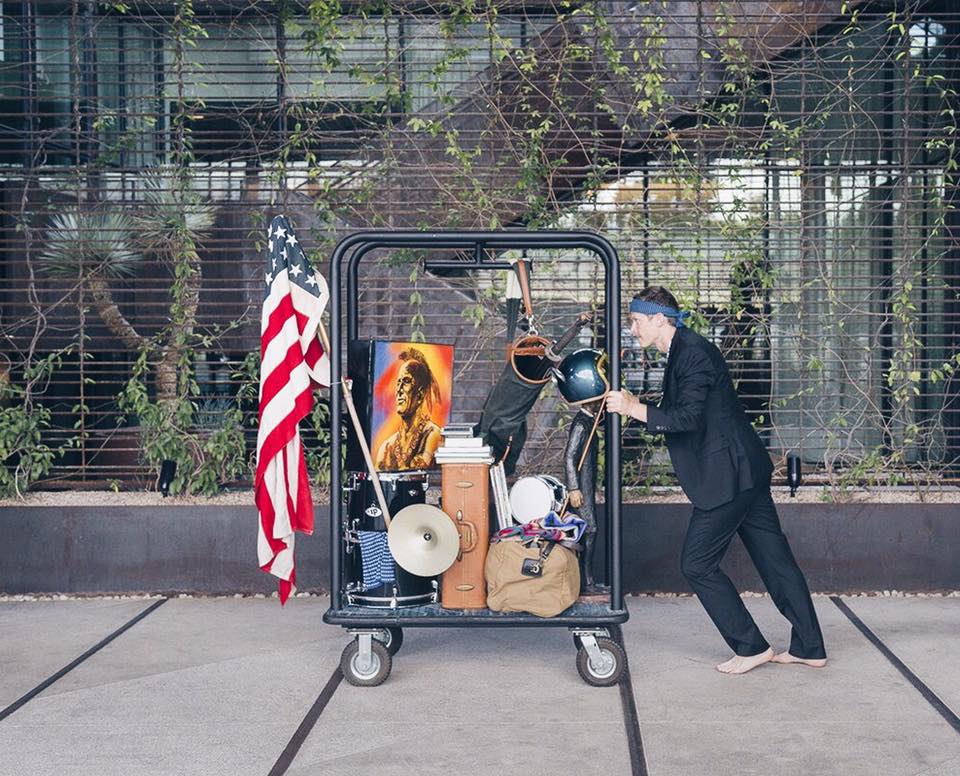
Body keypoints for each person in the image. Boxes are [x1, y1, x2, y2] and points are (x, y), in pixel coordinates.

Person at [606, 286, 826, 675]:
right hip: (744, 469)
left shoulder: (693, 353)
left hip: (728, 476)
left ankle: (751, 647)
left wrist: (633, 409)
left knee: (696, 564)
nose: (633, 329)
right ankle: (810, 647)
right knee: (775, 560)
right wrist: (638, 406)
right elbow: (687, 410)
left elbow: (687, 418)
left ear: (659, 319)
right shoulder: (683, 350)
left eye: (636, 321)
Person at [375, 348, 443, 471]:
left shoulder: (432, 434)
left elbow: (419, 470)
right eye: (398, 383)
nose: (399, 389)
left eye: (406, 381)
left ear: (420, 394)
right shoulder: (387, 448)